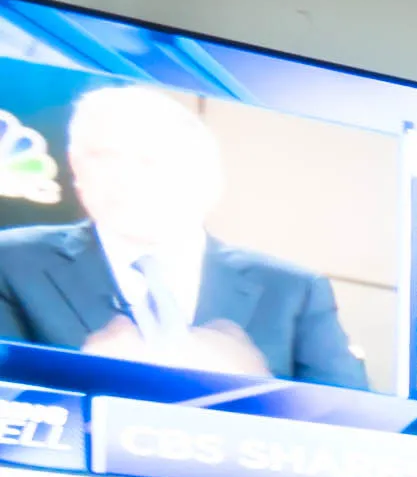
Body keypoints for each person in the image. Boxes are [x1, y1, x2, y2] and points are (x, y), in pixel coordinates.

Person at [0, 81, 367, 386]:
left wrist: (256, 386)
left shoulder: (293, 291)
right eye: (101, 158)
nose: (123, 177)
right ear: (76, 173)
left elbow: (357, 432)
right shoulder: (12, 262)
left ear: (205, 177)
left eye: (149, 160)